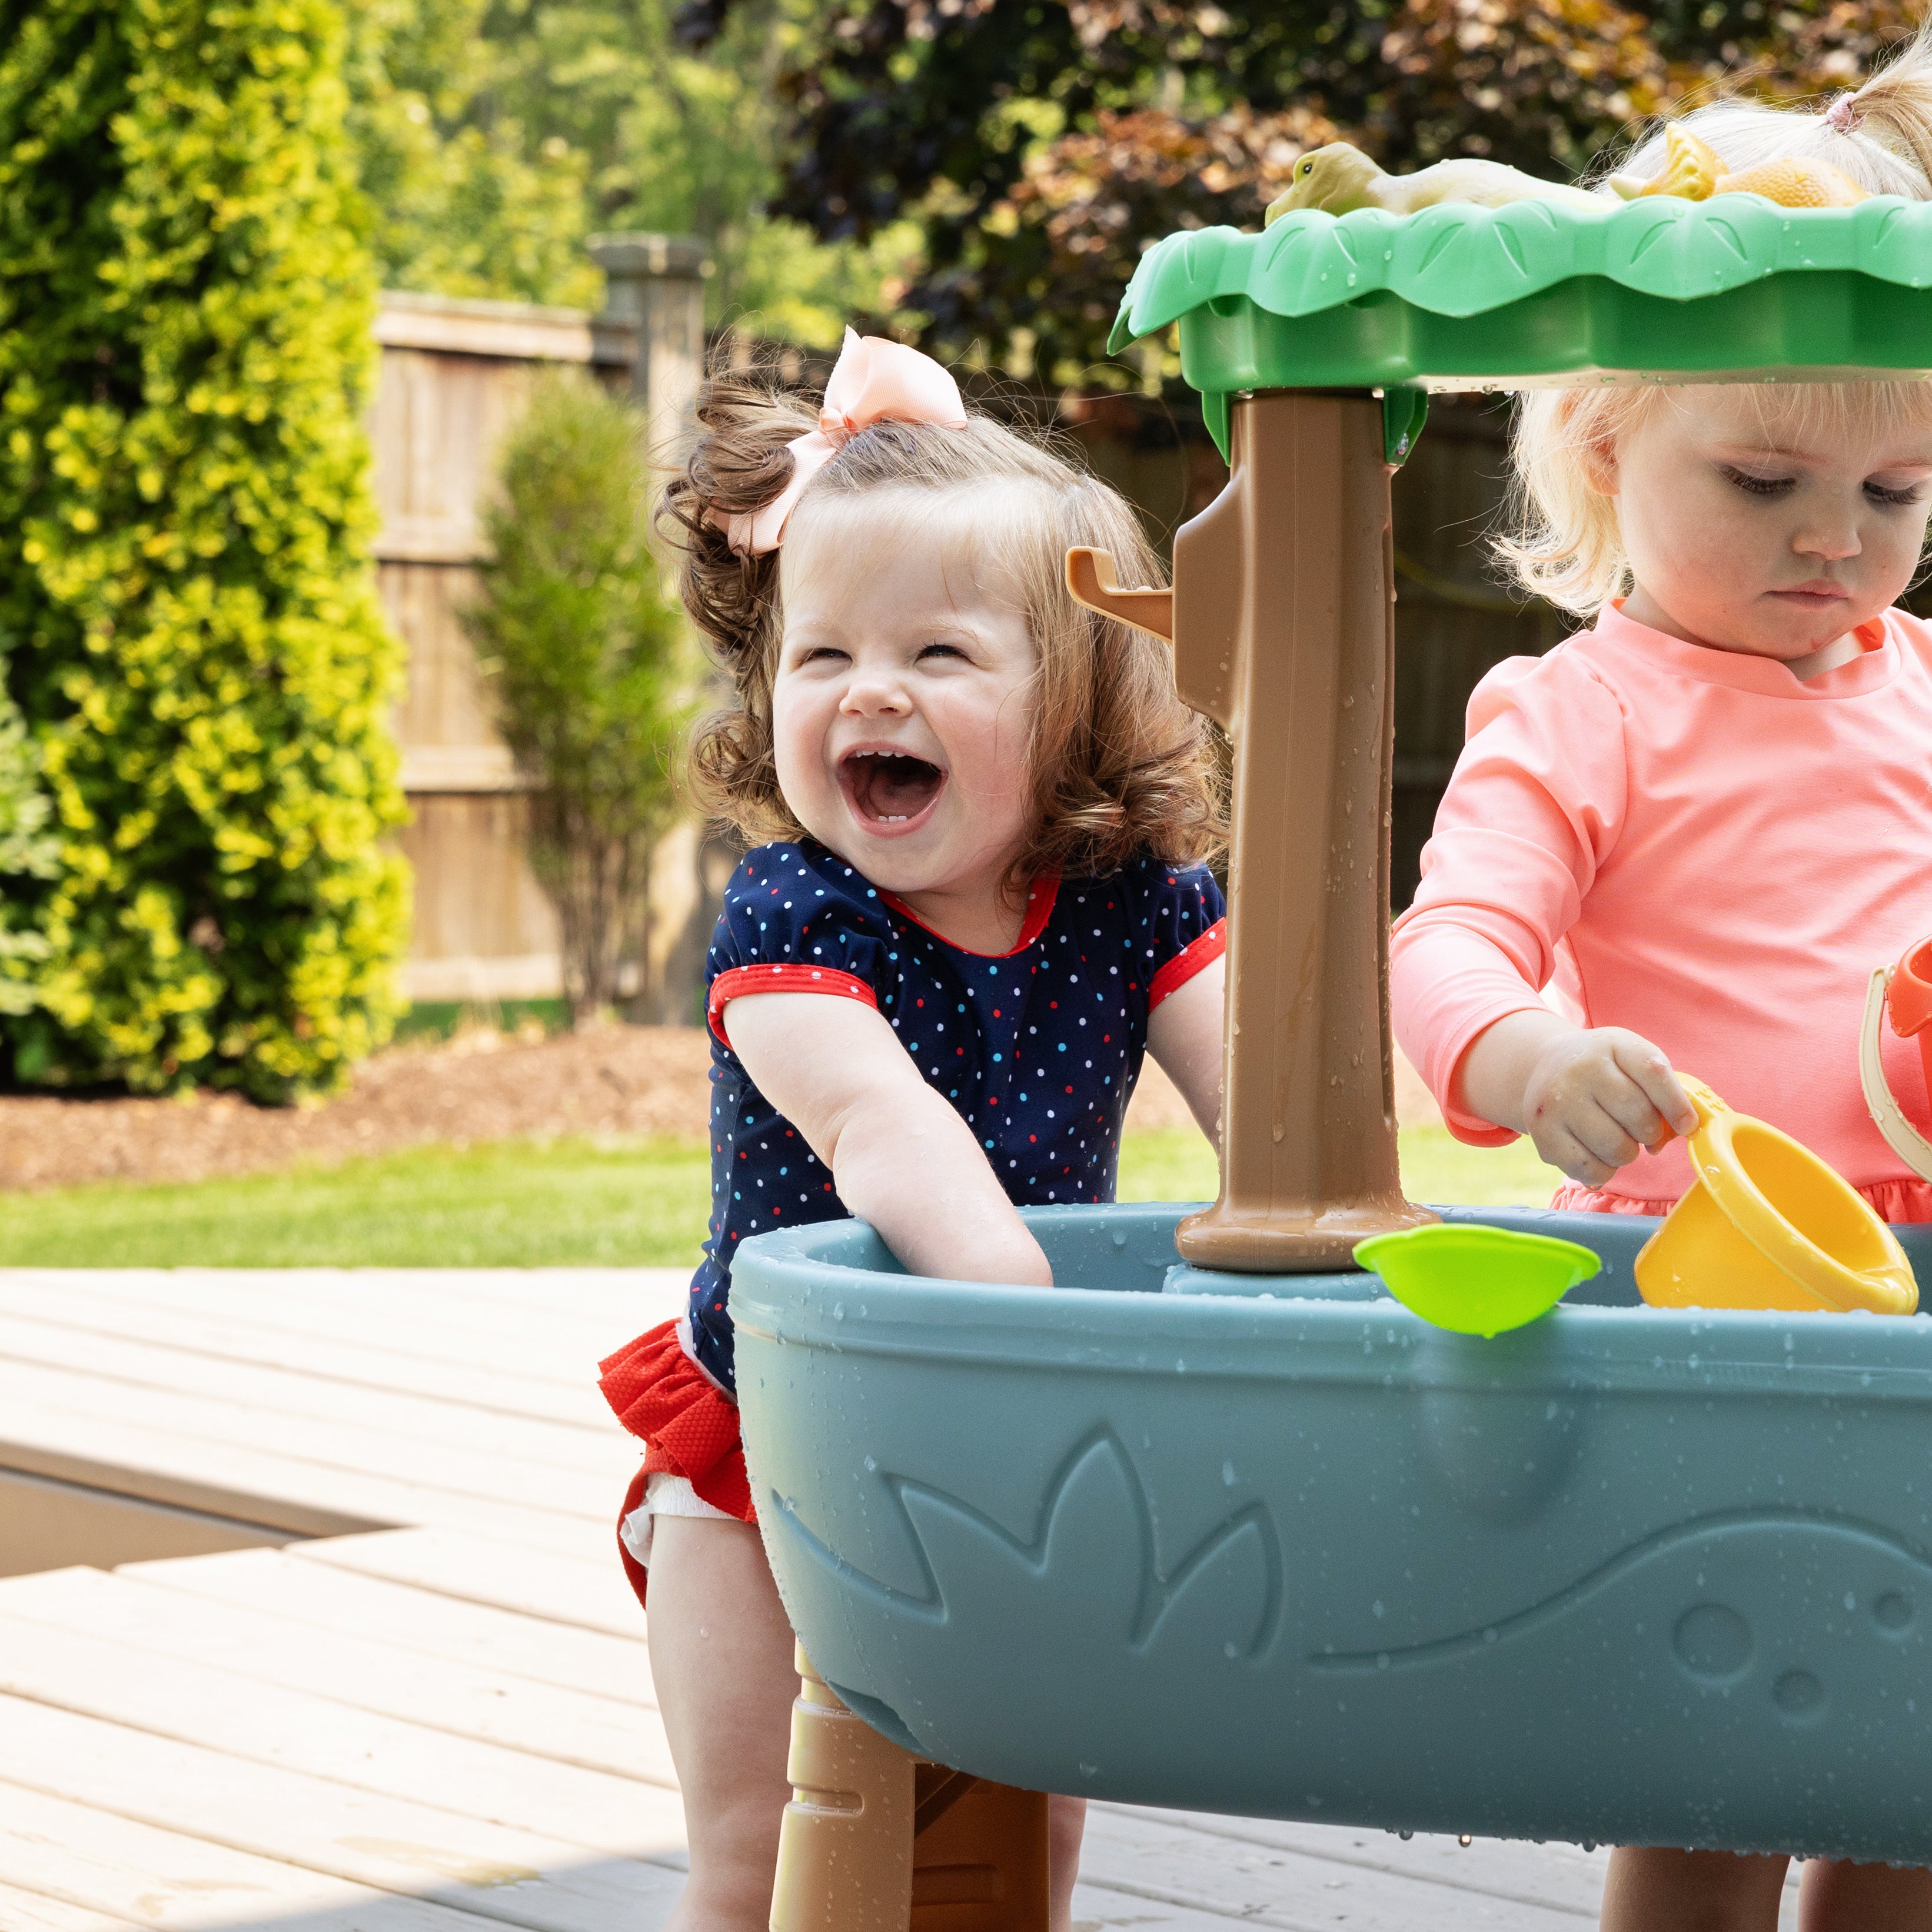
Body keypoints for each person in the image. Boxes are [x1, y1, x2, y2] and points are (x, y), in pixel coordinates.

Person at [1392, 32, 1932, 1932]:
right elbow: (1446, 942)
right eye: (1765, 476)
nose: (1833, 536)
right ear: (1606, 445)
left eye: (1894, 487)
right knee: (1719, 1756)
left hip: (1919, 1279)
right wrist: (1527, 1054)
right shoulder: (1582, 710)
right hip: (1704, 1278)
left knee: (1910, 1773)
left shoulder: (1922, 687)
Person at [598, 330, 1228, 1932]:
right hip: (778, 1446)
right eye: (822, 654)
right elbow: (878, 1123)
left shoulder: (1134, 902)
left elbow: (1267, 1105)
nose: (870, 688)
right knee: (762, 1851)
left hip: (1015, 1451)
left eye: (940, 653)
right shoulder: (793, 910)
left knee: (1022, 1833)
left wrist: (1336, 1253)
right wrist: (1025, 1327)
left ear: (1079, 696)